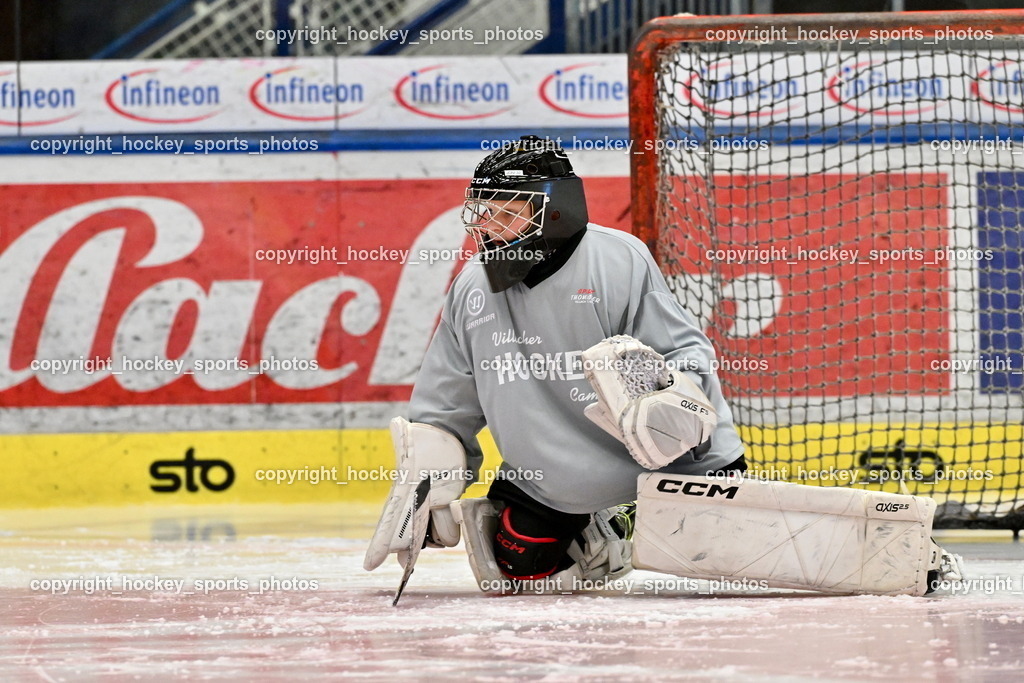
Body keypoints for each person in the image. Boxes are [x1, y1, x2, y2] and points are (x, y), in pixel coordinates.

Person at [396, 134, 746, 584]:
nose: (490, 227)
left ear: (555, 211)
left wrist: (677, 408)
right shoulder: (471, 288)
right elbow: (447, 401)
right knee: (520, 566)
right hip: (554, 480)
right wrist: (430, 480)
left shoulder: (619, 260)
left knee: (716, 553)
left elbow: (685, 353)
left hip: (670, 462)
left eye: (508, 213)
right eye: (485, 212)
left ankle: (649, 509)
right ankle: (608, 530)